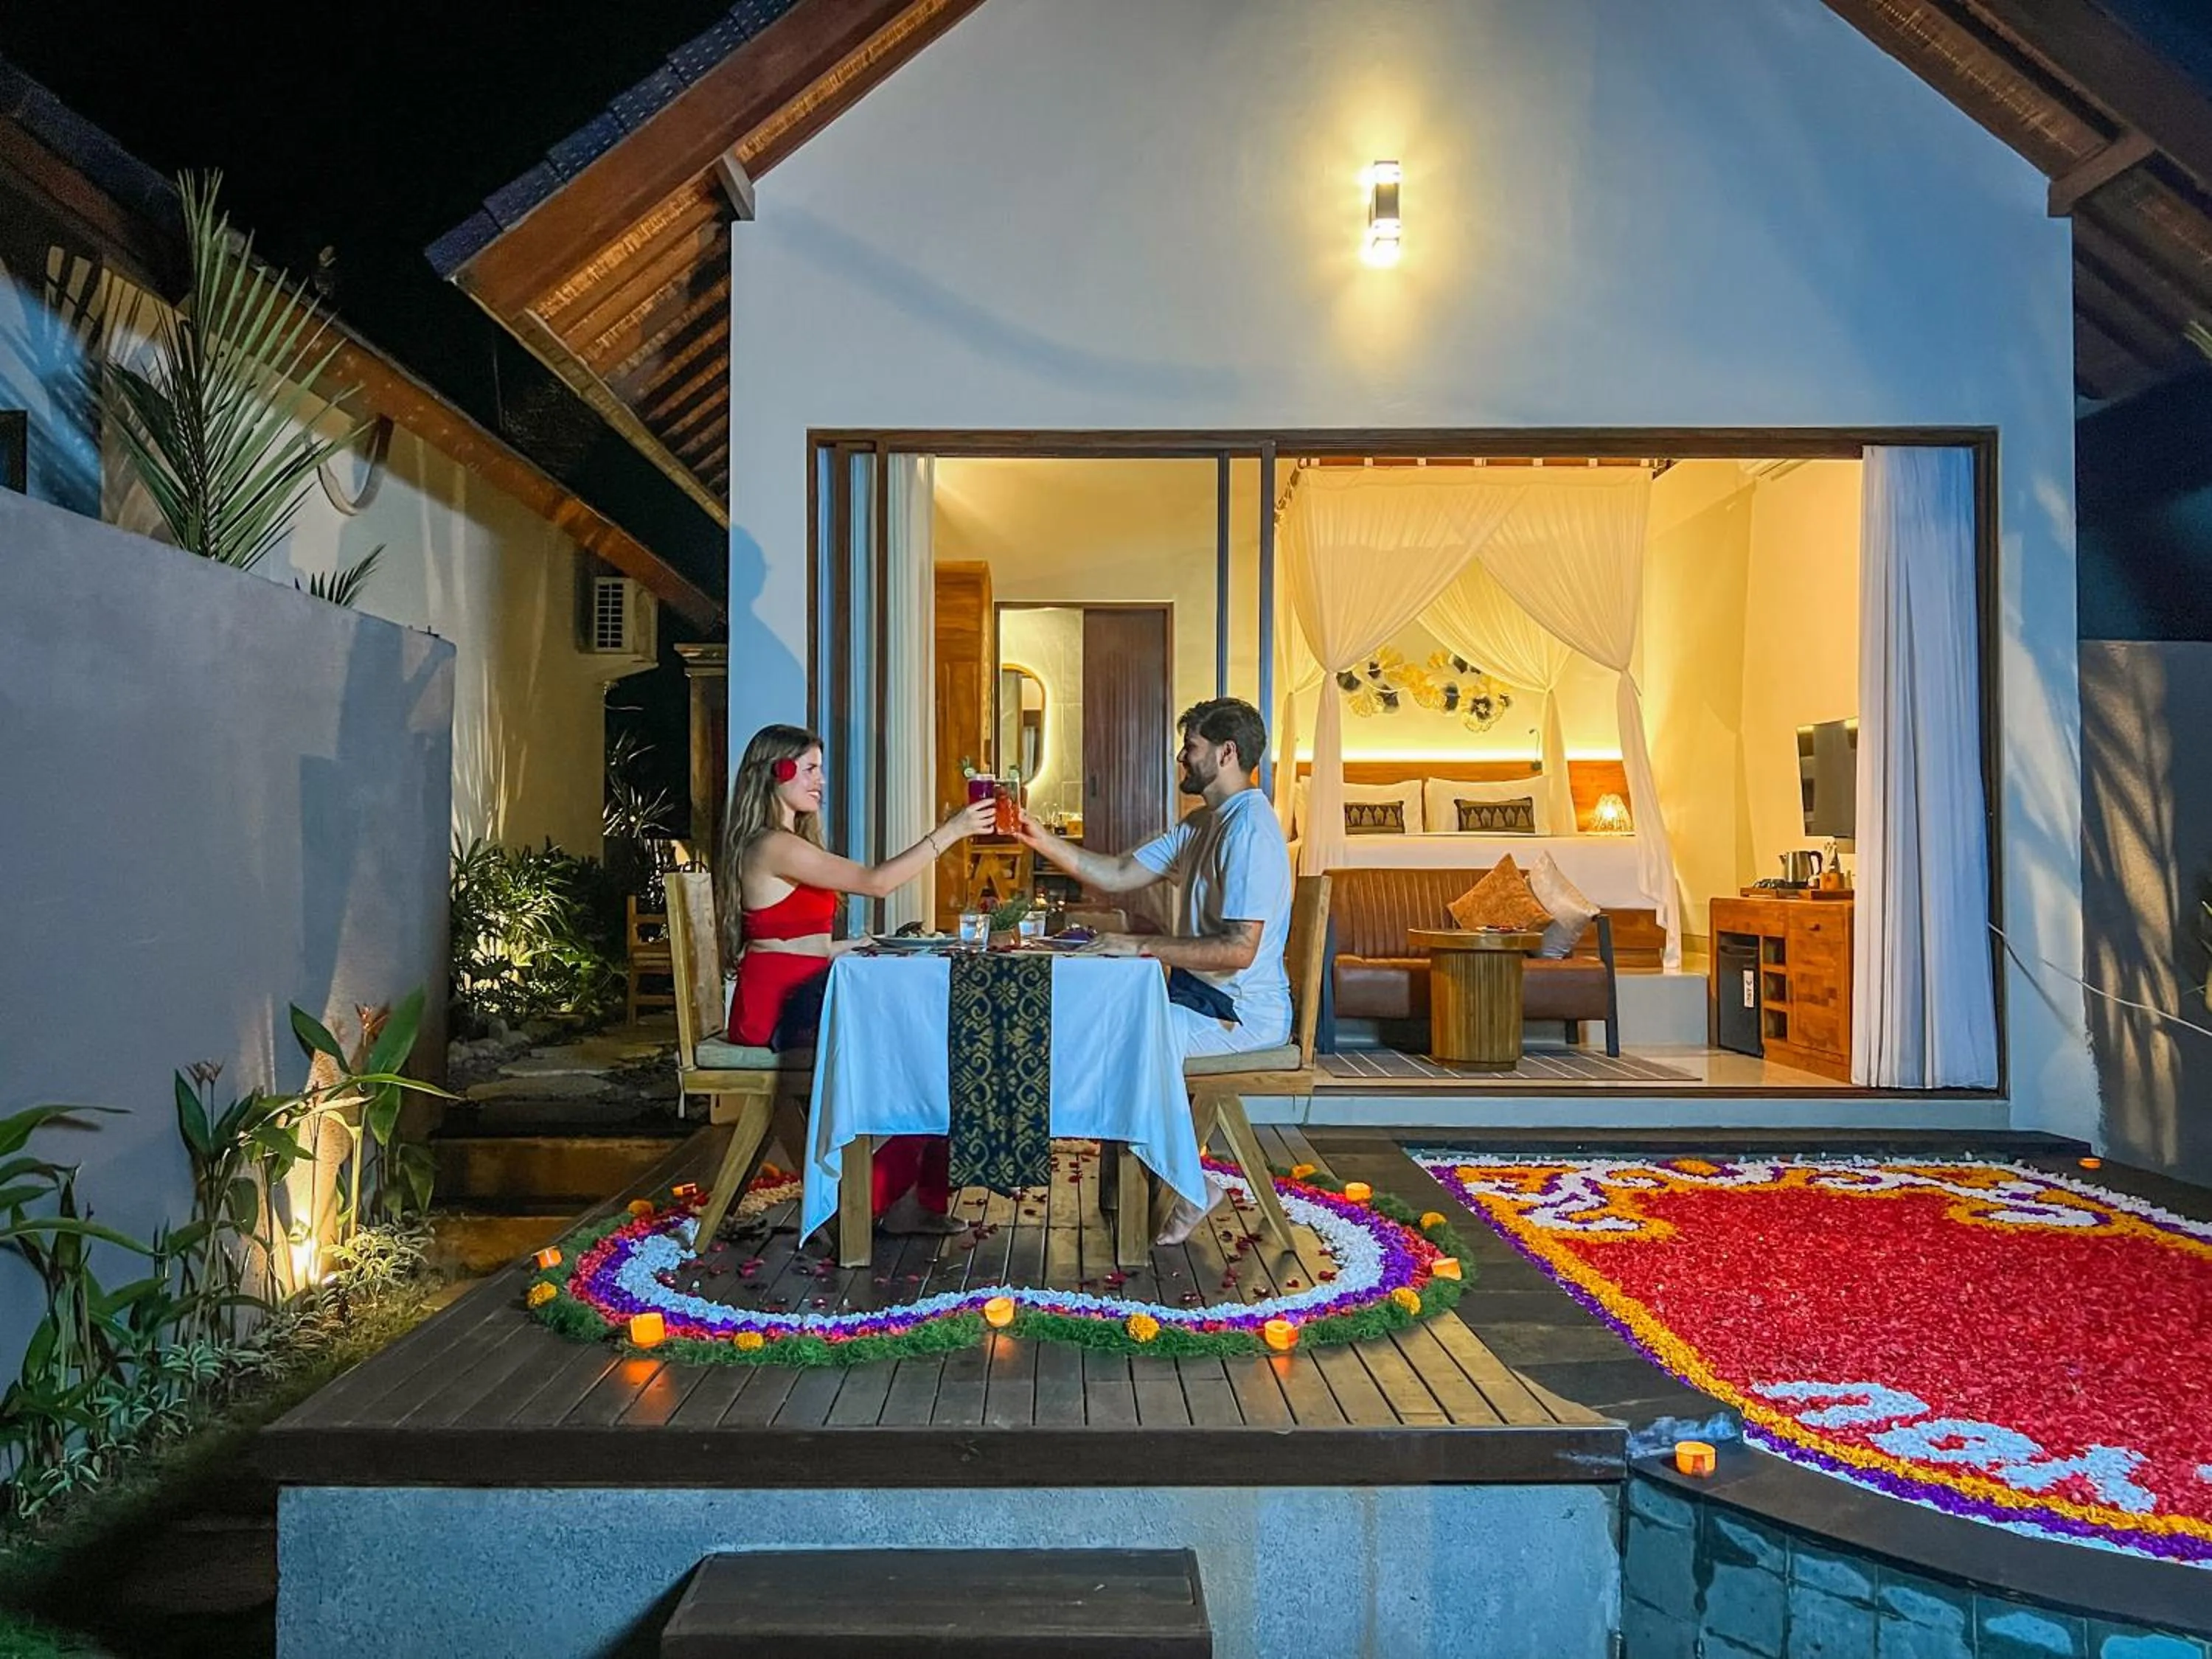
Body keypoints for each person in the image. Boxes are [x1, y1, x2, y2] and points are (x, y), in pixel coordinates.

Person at [1016, 698, 1294, 1243]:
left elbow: (1239, 950)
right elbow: (1119, 871)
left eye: (1191, 747)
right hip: (1197, 1003)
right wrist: (1036, 837)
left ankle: (1190, 1186)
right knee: (1110, 1025)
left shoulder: (1250, 833)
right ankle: (1156, 1180)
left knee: (1128, 1039)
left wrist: (1140, 946)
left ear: (1226, 753)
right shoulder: (1202, 825)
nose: (1181, 757)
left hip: (1242, 1017)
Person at [718, 723, 994, 1234]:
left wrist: (863, 945)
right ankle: (869, 1202)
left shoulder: (785, 844)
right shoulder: (773, 845)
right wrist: (952, 830)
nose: (820, 781)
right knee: (930, 1051)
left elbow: (803, 942)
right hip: (778, 1005)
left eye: (820, 769)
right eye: (810, 769)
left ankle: (904, 1198)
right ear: (775, 774)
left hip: (802, 986)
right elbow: (876, 882)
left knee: (936, 1047)